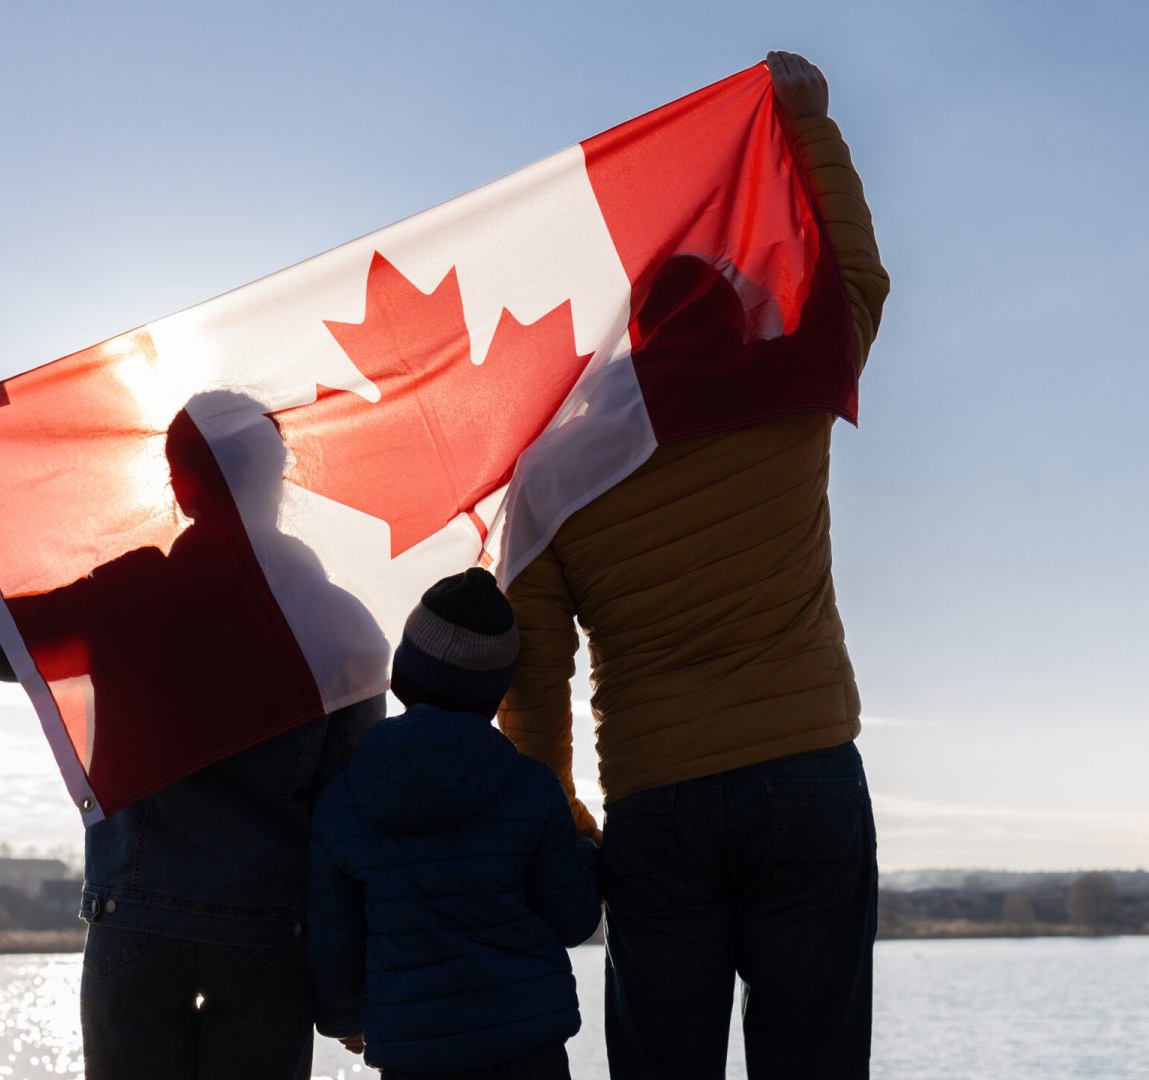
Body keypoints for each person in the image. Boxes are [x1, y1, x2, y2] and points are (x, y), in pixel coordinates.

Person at [495, 50, 890, 1078]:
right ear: (737, 315)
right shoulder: (791, 391)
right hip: (807, 775)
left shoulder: (557, 473)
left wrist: (561, 809)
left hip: (658, 801)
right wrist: (810, 127)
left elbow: (534, 680)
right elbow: (857, 278)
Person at [0, 399, 385, 1080]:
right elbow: (349, 835)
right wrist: (348, 998)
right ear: (279, 480)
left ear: (180, 488)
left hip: (135, 934)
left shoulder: (131, 598)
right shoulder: (345, 631)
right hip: (267, 946)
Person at [308, 568, 602, 1079]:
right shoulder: (531, 789)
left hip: (413, 1055)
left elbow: (335, 938)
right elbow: (575, 918)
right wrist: (586, 852)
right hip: (527, 1052)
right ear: (494, 694)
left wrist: (344, 1019)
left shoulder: (344, 802)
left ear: (403, 674)